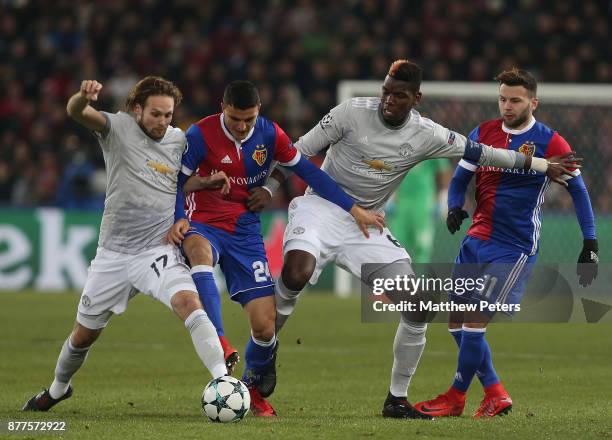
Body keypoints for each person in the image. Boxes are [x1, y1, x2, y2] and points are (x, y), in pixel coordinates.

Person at [263, 59, 578, 419]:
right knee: (295, 273)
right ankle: (265, 351)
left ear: (416, 98)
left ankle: (396, 399)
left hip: (366, 223)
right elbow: (296, 151)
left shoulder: (427, 133)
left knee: (420, 304)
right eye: (386, 92)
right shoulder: (351, 111)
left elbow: (483, 154)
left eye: (399, 95)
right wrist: (271, 188)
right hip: (320, 209)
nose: (388, 101)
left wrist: (540, 165)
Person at [166, 80, 384, 417]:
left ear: (258, 113)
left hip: (245, 232)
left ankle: (254, 385)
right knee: (198, 252)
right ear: (223, 107)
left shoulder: (270, 135)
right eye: (235, 118)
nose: (241, 127)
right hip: (204, 223)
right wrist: (180, 217)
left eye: (248, 120)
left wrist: (353, 209)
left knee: (266, 325)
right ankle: (221, 343)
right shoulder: (200, 133)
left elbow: (309, 171)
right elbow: (177, 181)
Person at [22, 77, 228, 412]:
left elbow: (174, 182)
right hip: (114, 255)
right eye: (155, 114)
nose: (162, 122)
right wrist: (80, 97)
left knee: (190, 302)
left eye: (168, 115)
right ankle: (58, 389)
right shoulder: (116, 128)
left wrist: (204, 182)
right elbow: (77, 112)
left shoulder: (178, 140)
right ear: (137, 110)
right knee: (83, 336)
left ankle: (222, 381)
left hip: (156, 249)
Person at [413, 68, 598, 418]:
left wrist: (590, 242)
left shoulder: (551, 142)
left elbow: (580, 191)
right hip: (475, 241)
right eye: (502, 99)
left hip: (512, 248)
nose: (507, 106)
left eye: (515, 100)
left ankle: (455, 397)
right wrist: (454, 206)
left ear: (533, 102)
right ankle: (496, 393)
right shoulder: (482, 133)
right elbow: (459, 180)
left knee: (473, 322)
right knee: (456, 322)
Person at [387, 159, 451, 263]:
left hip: (423, 202)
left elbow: (444, 169)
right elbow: (391, 170)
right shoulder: (397, 144)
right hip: (401, 202)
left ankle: (421, 277)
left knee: (422, 246)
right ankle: (397, 277)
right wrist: (391, 195)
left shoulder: (431, 144)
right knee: (395, 244)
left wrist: (443, 196)